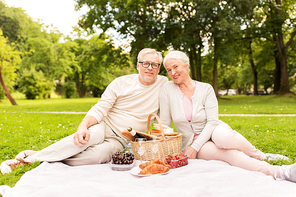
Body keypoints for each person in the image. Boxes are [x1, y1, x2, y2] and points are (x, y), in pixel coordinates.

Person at [1, 48, 168, 174]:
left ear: (159, 68)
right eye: (145, 63)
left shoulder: (163, 85)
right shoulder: (121, 82)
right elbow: (101, 107)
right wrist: (83, 127)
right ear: (138, 65)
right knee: (84, 140)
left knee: (96, 157)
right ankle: (28, 161)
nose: (150, 68)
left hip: (122, 140)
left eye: (154, 64)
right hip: (105, 126)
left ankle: (41, 155)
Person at [159, 50, 296, 183]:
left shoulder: (206, 88)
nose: (173, 73)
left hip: (212, 128)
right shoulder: (167, 89)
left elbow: (212, 121)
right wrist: (189, 146)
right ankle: (278, 172)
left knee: (225, 139)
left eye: (176, 67)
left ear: (186, 65)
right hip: (192, 141)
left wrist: (195, 148)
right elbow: (164, 124)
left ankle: (261, 156)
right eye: (169, 70)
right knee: (230, 155)